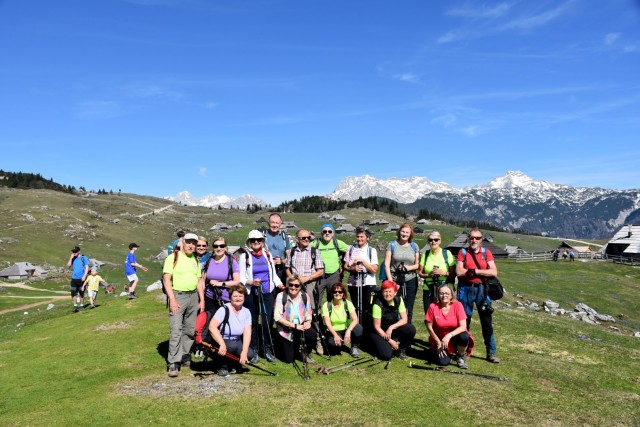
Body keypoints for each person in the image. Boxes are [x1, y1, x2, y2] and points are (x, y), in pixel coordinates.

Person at [456, 228, 500, 363]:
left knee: (486, 322)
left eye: (477, 238)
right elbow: (459, 271)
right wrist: (480, 272)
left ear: (481, 240)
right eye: (472, 238)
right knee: (464, 321)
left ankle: (491, 352)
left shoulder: (487, 253)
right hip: (466, 289)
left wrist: (474, 271)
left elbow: (493, 272)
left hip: (483, 290)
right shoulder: (463, 252)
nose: (474, 240)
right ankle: (462, 351)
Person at [238, 230, 282, 363]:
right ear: (249, 242)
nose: (256, 242)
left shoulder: (268, 255)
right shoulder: (244, 256)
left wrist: (280, 285)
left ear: (263, 242)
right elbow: (241, 275)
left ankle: (267, 349)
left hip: (267, 292)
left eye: (258, 240)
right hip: (251, 293)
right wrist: (249, 282)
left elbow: (273, 273)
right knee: (252, 322)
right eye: (253, 240)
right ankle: (254, 349)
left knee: (267, 321)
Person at [162, 232, 201, 377]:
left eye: (194, 243)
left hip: (193, 296)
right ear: (183, 243)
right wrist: (172, 299)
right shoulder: (173, 258)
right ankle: (173, 362)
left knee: (190, 329)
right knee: (176, 329)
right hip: (178, 295)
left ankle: (185, 355)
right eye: (189, 242)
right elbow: (166, 279)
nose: (191, 245)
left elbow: (199, 281)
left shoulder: (195, 260)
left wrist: (201, 299)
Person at [286, 228, 324, 354]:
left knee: (312, 312)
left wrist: (306, 278)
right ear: (298, 239)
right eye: (303, 238)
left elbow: (320, 271)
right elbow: (287, 268)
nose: (307, 239)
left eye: (308, 237)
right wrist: (292, 278)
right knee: (294, 310)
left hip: (309, 284)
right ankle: (295, 340)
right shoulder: (292, 252)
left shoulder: (314, 251)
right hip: (295, 286)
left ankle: (317, 341)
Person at [425, 284, 475, 369]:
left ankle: (461, 356)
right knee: (444, 362)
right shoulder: (432, 306)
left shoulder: (458, 305)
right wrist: (438, 343)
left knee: (464, 336)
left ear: (451, 295)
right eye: (441, 293)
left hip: (455, 336)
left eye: (447, 293)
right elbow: (429, 327)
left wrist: (449, 335)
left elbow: (463, 326)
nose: (444, 295)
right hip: (440, 338)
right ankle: (439, 352)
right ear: (438, 295)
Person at [208, 285, 254, 377]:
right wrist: (221, 344)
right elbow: (212, 327)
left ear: (244, 297)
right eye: (235, 296)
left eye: (241, 296)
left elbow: (247, 332)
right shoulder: (223, 309)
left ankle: (233, 364)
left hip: (237, 340)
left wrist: (244, 352)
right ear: (230, 298)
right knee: (231, 346)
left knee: (249, 353)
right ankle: (222, 367)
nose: (238, 298)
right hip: (223, 339)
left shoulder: (247, 312)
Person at [274, 275, 317, 364]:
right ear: (287, 285)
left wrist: (308, 322)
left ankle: (306, 352)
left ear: (300, 286)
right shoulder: (281, 296)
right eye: (291, 285)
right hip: (286, 329)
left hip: (301, 326)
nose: (293, 287)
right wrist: (295, 326)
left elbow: (308, 312)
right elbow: (277, 317)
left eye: (296, 285)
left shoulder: (305, 296)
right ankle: (288, 346)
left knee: (312, 334)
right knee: (289, 360)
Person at [382, 223, 420, 324]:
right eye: (403, 231)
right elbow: (386, 264)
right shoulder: (392, 245)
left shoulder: (414, 246)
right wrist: (390, 281)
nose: (404, 234)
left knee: (409, 306)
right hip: (395, 279)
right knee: (395, 305)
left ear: (410, 234)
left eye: (407, 232)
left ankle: (408, 330)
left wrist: (407, 268)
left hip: (410, 280)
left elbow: (417, 265)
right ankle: (394, 330)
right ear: (399, 232)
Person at [369, 280, 416, 361]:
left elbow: (405, 319)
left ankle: (402, 350)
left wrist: (391, 327)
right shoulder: (377, 305)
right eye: (385, 291)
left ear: (395, 292)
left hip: (391, 328)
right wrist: (390, 341)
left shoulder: (399, 299)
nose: (388, 294)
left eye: (390, 291)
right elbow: (377, 327)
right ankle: (387, 345)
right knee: (387, 356)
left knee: (410, 329)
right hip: (379, 332)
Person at [343, 227, 378, 325]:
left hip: (368, 283)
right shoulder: (350, 249)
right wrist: (352, 269)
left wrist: (363, 261)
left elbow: (374, 269)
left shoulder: (371, 251)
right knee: (356, 307)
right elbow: (345, 266)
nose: (359, 239)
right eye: (358, 236)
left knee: (368, 308)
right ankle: (358, 329)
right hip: (353, 283)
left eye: (362, 237)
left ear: (367, 238)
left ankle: (367, 330)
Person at [199, 236, 240, 314]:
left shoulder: (231, 262)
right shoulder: (209, 261)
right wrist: (202, 299)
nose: (218, 248)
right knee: (210, 323)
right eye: (215, 246)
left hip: (226, 298)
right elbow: (203, 280)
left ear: (225, 247)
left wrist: (220, 284)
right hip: (209, 298)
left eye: (222, 246)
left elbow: (237, 281)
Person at [418, 230, 455, 314]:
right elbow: (420, 273)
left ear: (440, 241)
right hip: (428, 288)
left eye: (436, 239)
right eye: (430, 240)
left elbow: (454, 273)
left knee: (444, 314)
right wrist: (429, 274)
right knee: (429, 314)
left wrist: (443, 273)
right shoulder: (425, 254)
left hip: (444, 288)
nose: (433, 242)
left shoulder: (447, 253)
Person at [321, 283, 363, 357]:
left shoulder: (348, 303)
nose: (337, 293)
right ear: (332, 293)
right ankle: (339, 344)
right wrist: (335, 335)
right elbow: (327, 323)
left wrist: (348, 331)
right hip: (333, 331)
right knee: (333, 347)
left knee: (358, 328)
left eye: (340, 292)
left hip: (346, 329)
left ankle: (354, 347)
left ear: (343, 293)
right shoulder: (326, 305)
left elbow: (355, 319)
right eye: (335, 292)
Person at [312, 223, 349, 306]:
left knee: (334, 298)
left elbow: (351, 250)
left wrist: (344, 264)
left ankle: (332, 316)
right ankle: (317, 316)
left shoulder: (337, 243)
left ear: (333, 233)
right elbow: (305, 248)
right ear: (321, 233)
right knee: (316, 298)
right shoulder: (316, 243)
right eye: (324, 231)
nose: (327, 233)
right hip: (319, 276)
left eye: (329, 231)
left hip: (334, 275)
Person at [263, 213, 291, 286]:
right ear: (268, 223)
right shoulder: (262, 236)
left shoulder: (284, 237)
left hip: (281, 271)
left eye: (277, 223)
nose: (275, 225)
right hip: (266, 270)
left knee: (280, 293)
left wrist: (281, 261)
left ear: (280, 224)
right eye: (272, 222)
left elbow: (289, 257)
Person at [67, 246, 90, 312]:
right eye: (73, 252)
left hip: (81, 278)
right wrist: (71, 258)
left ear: (79, 251)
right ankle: (75, 306)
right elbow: (68, 266)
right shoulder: (73, 258)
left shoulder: (84, 258)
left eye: (75, 252)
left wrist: (84, 276)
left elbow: (87, 267)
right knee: (73, 293)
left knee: (81, 292)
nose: (74, 253)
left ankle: (82, 305)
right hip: (74, 278)